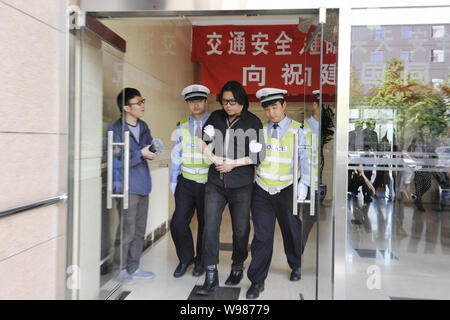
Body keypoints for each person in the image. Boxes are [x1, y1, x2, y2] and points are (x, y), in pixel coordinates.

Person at [195, 80, 265, 296]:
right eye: (225, 101)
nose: (228, 106)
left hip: (241, 184)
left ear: (242, 101)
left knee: (241, 229)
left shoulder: (253, 122)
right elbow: (201, 141)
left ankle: (237, 266)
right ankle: (210, 273)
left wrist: (232, 163)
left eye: (232, 102)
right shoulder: (215, 117)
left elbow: (258, 156)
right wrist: (214, 157)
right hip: (215, 183)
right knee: (209, 227)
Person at [246, 88, 309, 300]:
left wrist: (304, 184)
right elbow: (253, 159)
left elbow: (306, 160)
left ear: (284, 106)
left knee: (291, 230)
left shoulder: (298, 130)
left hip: (287, 189)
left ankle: (296, 264)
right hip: (262, 189)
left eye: (274, 107)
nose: (271, 112)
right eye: (267, 108)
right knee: (262, 236)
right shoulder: (260, 130)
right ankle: (256, 280)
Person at [109, 88, 157, 284]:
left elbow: (147, 148)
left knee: (139, 230)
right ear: (126, 107)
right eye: (138, 102)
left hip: (143, 184)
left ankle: (133, 267)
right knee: (126, 231)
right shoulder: (116, 130)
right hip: (126, 187)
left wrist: (153, 150)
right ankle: (119, 270)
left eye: (142, 101)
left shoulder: (143, 126)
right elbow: (116, 158)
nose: (142, 105)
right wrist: (141, 154)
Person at [169, 84, 211, 278]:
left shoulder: (215, 124)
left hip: (208, 182)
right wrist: (173, 180)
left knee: (205, 224)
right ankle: (186, 258)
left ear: (205, 101)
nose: (195, 105)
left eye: (199, 100)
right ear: (187, 103)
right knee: (178, 223)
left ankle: (201, 261)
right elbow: (176, 154)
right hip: (186, 181)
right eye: (192, 101)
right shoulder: (182, 125)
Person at [300, 91, 321, 254]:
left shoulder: (330, 128)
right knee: (304, 216)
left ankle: (298, 251)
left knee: (311, 217)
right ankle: (297, 254)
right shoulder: (304, 127)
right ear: (315, 105)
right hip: (304, 180)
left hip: (318, 180)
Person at [408, 124, 439, 211]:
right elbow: (410, 150)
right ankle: (419, 203)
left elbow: (432, 152)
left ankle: (417, 197)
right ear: (421, 130)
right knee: (419, 183)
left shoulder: (429, 141)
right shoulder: (417, 139)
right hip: (418, 163)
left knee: (428, 184)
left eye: (428, 129)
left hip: (426, 164)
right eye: (425, 129)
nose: (426, 131)